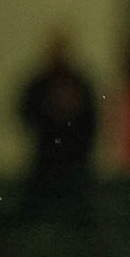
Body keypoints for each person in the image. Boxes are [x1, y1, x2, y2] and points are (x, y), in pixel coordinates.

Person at [17, 31, 99, 224]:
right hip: (44, 165)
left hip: (77, 166)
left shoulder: (82, 83)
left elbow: (92, 121)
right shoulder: (38, 83)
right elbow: (25, 115)